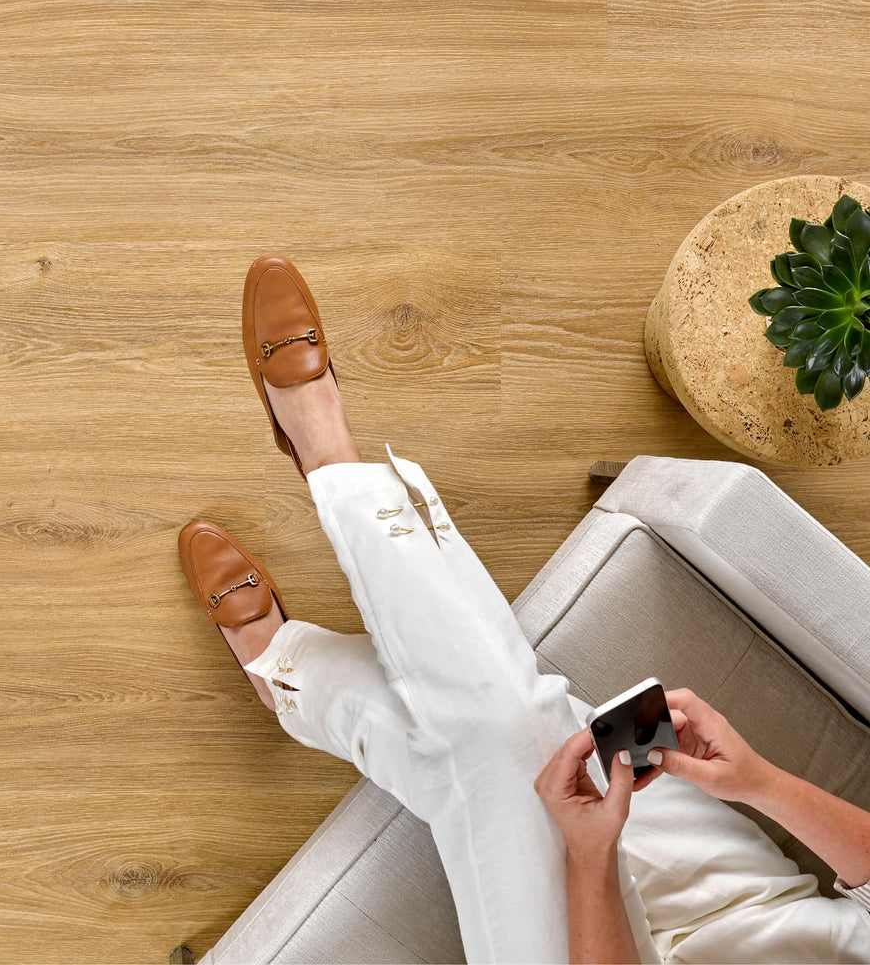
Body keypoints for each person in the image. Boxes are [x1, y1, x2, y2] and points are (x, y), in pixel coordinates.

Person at [178, 256, 870, 964]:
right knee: (504, 742)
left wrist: (589, 860)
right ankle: (286, 674)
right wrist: (755, 779)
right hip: (740, 895)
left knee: (500, 730)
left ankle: (327, 452)